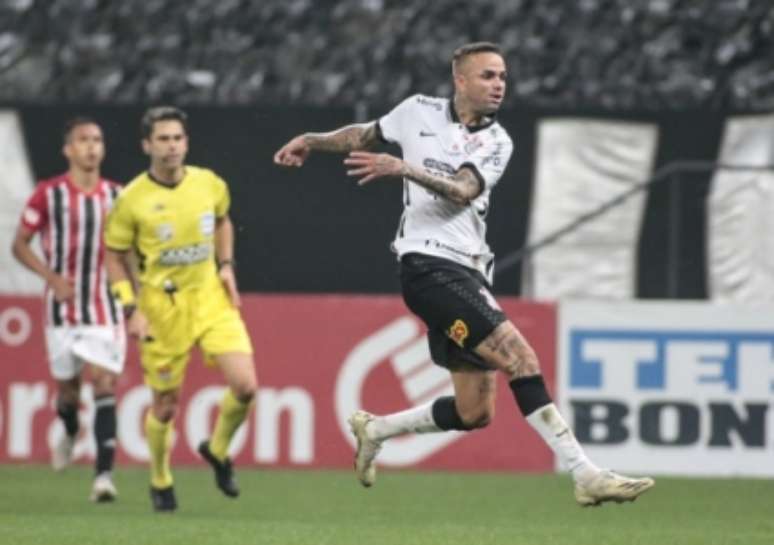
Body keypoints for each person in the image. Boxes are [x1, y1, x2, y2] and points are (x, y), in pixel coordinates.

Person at [274, 42, 654, 506]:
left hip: (468, 271)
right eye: (489, 76)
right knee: (521, 357)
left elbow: (461, 191)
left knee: (475, 411)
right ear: (460, 80)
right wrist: (312, 140)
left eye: (503, 77)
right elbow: (365, 134)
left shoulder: (497, 142)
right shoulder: (417, 111)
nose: (499, 86)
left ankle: (376, 429)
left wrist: (404, 168)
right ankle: (585, 473)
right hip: (426, 265)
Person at [104, 106, 257, 513]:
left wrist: (226, 266)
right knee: (166, 406)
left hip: (210, 298)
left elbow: (223, 222)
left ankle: (218, 450)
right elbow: (115, 256)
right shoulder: (132, 199)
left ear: (186, 142)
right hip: (161, 308)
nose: (171, 147)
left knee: (245, 386)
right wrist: (130, 308)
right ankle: (159, 477)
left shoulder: (209, 184)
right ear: (147, 145)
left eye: (177, 138)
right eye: (163, 139)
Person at [12, 117, 124, 503]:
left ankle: (103, 477)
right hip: (61, 309)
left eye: (97, 139)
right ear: (68, 150)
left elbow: (130, 252)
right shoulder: (48, 194)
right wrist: (51, 277)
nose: (92, 146)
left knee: (106, 382)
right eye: (83, 140)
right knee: (69, 392)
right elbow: (20, 245)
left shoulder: (118, 197)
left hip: (105, 306)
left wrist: (136, 299)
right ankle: (70, 427)